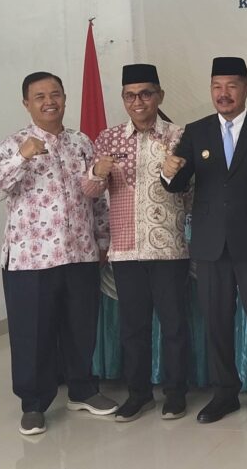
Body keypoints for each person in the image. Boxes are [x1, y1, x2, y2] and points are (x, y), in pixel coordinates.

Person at [0, 72, 118, 435]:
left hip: (80, 253)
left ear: (65, 98)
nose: (49, 101)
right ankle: (33, 403)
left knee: (81, 327)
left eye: (55, 94)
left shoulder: (81, 142)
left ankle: (82, 390)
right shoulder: (14, 144)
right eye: (39, 96)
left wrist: (103, 239)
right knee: (32, 333)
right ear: (26, 103)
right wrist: (21, 158)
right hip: (30, 259)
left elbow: (97, 195)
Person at [161, 57, 247, 425]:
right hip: (210, 245)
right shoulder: (197, 131)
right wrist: (168, 172)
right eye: (217, 87)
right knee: (216, 322)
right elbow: (177, 183)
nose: (224, 94)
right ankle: (225, 393)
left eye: (231, 86)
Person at [81, 64, 191, 422]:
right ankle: (139, 394)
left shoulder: (179, 136)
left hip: (169, 247)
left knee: (174, 325)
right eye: (130, 95)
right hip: (126, 249)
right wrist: (97, 173)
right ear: (123, 99)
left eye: (145, 93)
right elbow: (90, 191)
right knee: (133, 328)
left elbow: (193, 192)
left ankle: (175, 394)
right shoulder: (108, 138)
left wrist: (179, 174)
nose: (138, 101)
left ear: (159, 96)